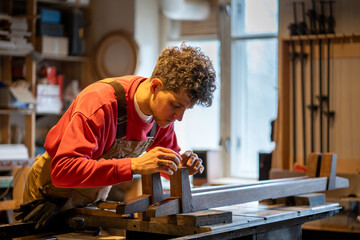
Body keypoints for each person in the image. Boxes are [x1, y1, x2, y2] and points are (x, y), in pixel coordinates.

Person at [15, 43, 217, 229]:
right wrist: (134, 166)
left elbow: (166, 167)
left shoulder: (162, 118)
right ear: (155, 86)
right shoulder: (101, 104)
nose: (179, 117)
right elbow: (63, 171)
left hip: (90, 201)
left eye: (186, 109)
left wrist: (182, 166)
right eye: (176, 105)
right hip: (48, 196)